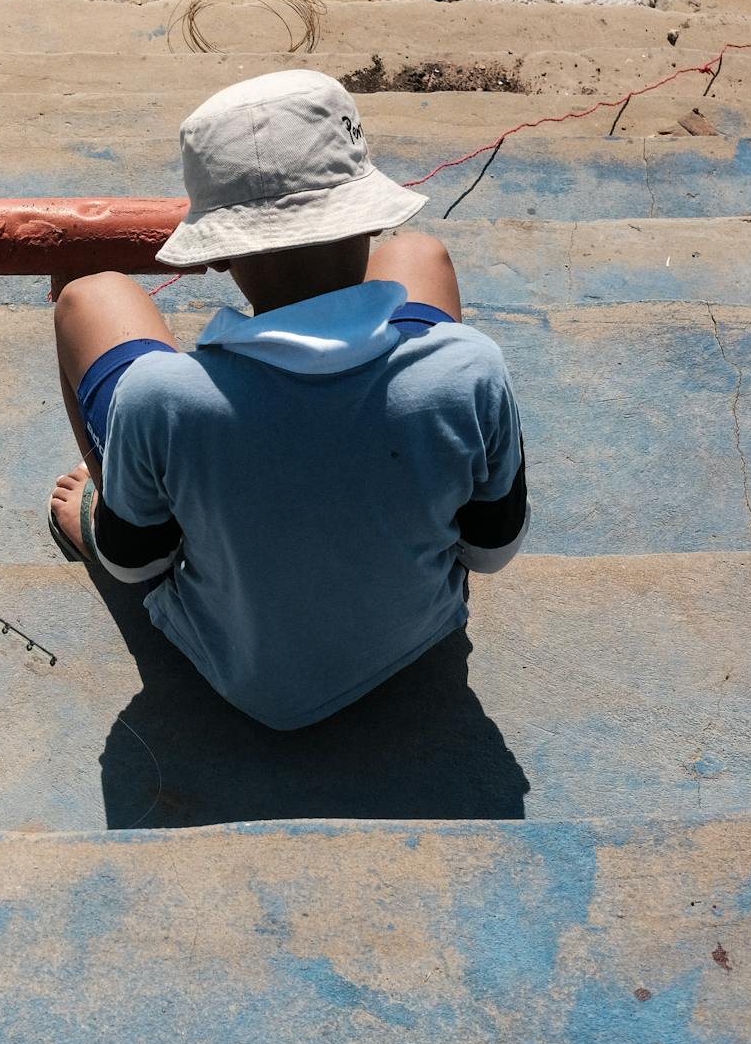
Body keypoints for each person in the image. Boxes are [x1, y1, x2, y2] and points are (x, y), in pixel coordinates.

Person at [47, 70, 528, 730]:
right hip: (422, 629)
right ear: (367, 218)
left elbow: (139, 567)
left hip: (249, 679)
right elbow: (488, 555)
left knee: (89, 295)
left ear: (216, 258)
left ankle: (111, 502)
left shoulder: (161, 400)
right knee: (420, 253)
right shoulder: (471, 368)